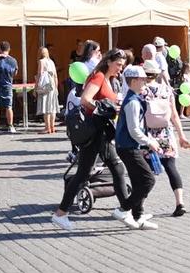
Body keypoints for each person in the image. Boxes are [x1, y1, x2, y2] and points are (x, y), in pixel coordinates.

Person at [51, 49, 131, 230]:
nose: (120, 68)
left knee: (87, 173)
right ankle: (127, 211)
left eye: (122, 65)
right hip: (95, 132)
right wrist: (106, 109)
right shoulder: (99, 77)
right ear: (108, 61)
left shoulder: (109, 80)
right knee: (114, 169)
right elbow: (85, 100)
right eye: (118, 64)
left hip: (100, 132)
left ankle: (61, 213)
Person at [113, 64, 163, 229]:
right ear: (133, 81)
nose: (145, 82)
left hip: (128, 145)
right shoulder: (132, 102)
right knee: (148, 180)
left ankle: (138, 215)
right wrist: (150, 142)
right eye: (142, 79)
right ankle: (124, 209)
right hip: (128, 146)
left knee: (138, 180)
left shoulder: (132, 98)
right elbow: (134, 129)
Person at [141, 60, 189, 216]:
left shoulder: (142, 91)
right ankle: (179, 202)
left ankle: (139, 205)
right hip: (166, 134)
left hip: (148, 135)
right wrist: (181, 135)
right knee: (171, 168)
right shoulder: (167, 90)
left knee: (145, 172)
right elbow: (174, 115)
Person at [0, 41, 19, 135]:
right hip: (8, 86)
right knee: (9, 107)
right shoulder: (13, 60)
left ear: (0, 49)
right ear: (9, 49)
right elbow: (15, 73)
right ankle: (10, 126)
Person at [36, 47, 59, 134]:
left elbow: (39, 75)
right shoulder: (51, 62)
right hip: (52, 84)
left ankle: (47, 127)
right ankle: (52, 127)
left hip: (46, 85)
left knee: (46, 107)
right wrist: (56, 87)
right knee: (52, 107)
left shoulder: (41, 62)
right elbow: (55, 75)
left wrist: (36, 87)